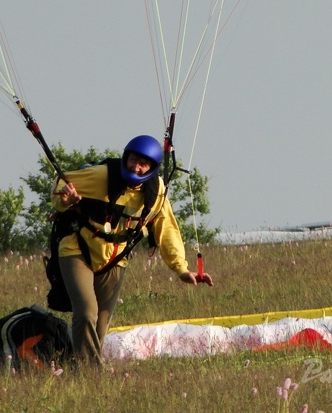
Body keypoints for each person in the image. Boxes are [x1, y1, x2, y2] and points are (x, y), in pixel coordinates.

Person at [50, 134, 214, 366]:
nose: (136, 167)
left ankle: (72, 364)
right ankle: (90, 376)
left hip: (115, 259)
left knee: (100, 326)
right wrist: (66, 200)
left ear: (152, 168)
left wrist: (182, 269)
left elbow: (166, 231)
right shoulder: (101, 176)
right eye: (133, 160)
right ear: (125, 157)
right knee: (87, 311)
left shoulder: (156, 193)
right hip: (78, 249)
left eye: (143, 164)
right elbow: (59, 184)